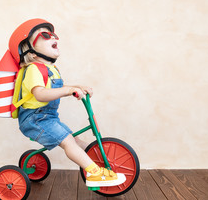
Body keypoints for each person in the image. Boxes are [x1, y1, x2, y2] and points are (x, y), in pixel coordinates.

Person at [8, 18, 125, 187]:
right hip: (35, 120)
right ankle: (94, 173)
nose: (54, 37)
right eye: (46, 35)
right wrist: (69, 91)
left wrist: (77, 87)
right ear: (32, 53)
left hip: (48, 118)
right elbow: (40, 94)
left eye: (54, 34)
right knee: (68, 142)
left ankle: (98, 162)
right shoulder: (33, 69)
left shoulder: (51, 70)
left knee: (75, 140)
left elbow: (60, 87)